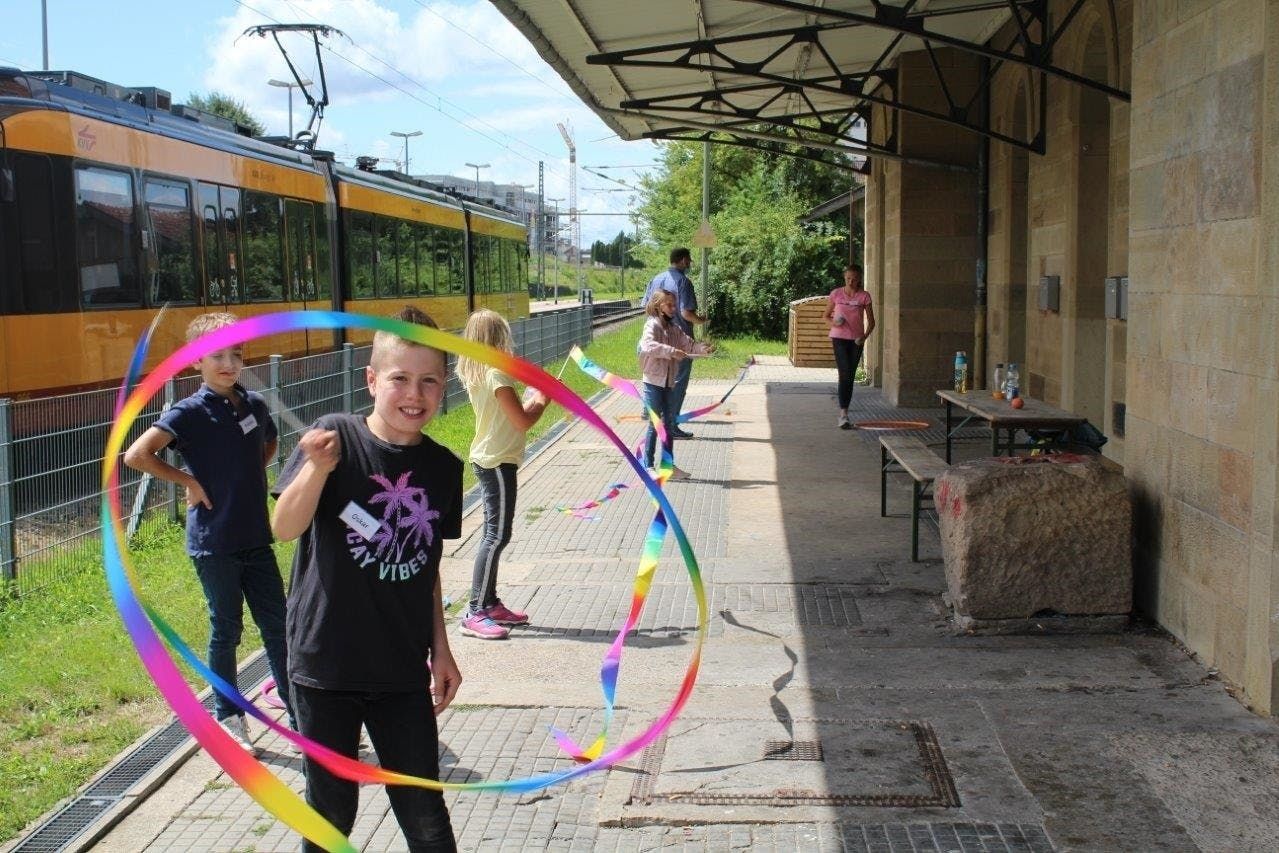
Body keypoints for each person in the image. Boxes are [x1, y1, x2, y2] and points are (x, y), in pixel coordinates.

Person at [271, 305, 462, 852]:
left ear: (444, 385)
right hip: (325, 665)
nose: (415, 394)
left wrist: (441, 650)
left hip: (401, 670)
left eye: (429, 381)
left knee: (425, 809)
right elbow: (284, 528)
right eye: (400, 378)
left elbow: (426, 568)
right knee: (331, 812)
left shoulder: (444, 468)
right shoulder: (335, 438)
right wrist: (316, 469)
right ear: (372, 380)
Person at [123, 312, 291, 754]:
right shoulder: (188, 412)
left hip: (256, 537)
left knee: (280, 626)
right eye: (217, 355)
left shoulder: (252, 404)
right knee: (227, 630)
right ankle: (229, 714)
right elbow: (136, 456)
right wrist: (190, 484)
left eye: (235, 355)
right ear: (196, 360)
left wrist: (256, 466)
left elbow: (269, 442)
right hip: (214, 544)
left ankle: (299, 712)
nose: (228, 364)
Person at [455, 309, 550, 641]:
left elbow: (506, 413)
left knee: (495, 534)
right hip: (497, 461)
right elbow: (522, 421)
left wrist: (530, 399)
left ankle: (489, 602)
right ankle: (475, 610)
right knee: (496, 536)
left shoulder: (481, 370)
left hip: (492, 457)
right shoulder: (496, 373)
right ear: (498, 337)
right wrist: (542, 399)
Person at [639, 289, 712, 480]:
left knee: (668, 423)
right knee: (655, 423)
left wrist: (701, 348)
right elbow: (648, 346)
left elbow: (688, 344)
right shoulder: (652, 326)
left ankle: (667, 466)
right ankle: (648, 465)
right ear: (658, 306)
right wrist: (671, 351)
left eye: (674, 304)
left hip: (669, 382)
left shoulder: (674, 329)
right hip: (653, 382)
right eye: (669, 305)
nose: (674, 308)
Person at [641, 247, 706, 438]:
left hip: (655, 338)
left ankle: (651, 413)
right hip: (678, 341)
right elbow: (686, 313)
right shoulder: (683, 282)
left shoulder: (656, 278)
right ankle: (671, 426)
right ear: (684, 260)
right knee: (676, 383)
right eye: (689, 261)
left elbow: (645, 306)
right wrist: (702, 320)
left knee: (654, 377)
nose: (690, 264)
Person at [823, 265, 876, 429]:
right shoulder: (836, 294)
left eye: (854, 279)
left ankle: (845, 411)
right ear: (844, 278)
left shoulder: (864, 296)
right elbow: (825, 316)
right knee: (844, 372)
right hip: (839, 338)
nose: (851, 281)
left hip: (856, 341)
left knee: (850, 375)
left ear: (859, 279)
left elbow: (872, 322)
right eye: (848, 278)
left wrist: (864, 337)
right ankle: (843, 414)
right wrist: (834, 322)